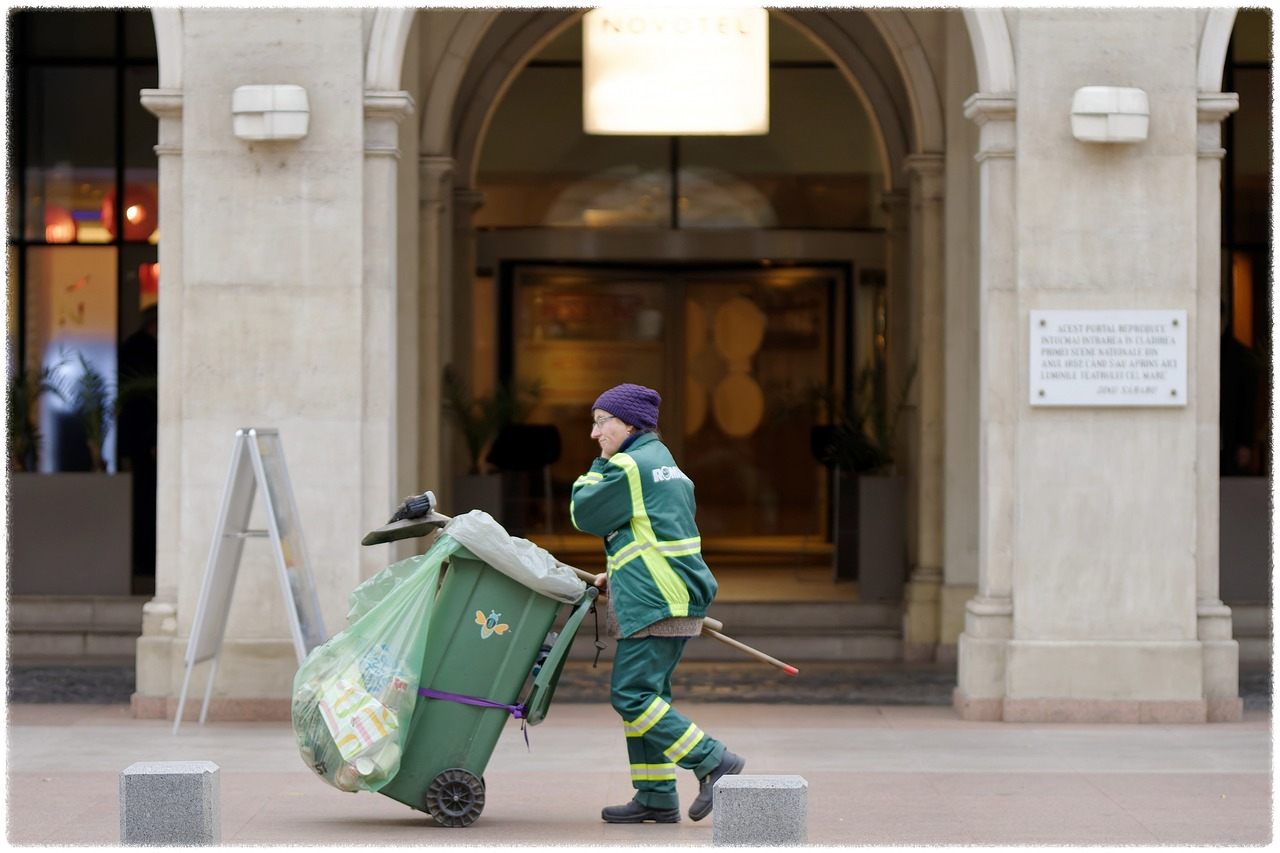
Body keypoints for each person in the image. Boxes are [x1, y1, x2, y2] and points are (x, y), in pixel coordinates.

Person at [569, 383, 744, 824]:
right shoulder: (662, 461)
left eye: (600, 423)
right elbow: (651, 530)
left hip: (655, 600)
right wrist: (623, 572)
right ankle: (656, 796)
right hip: (668, 593)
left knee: (631, 696)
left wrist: (597, 466)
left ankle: (713, 762)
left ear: (628, 423)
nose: (595, 435)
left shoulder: (627, 463)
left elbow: (584, 512)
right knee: (650, 698)